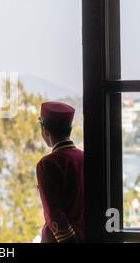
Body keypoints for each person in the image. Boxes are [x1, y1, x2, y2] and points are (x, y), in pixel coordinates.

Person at [36, 101, 84, 243]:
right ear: (69, 129)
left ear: (45, 131)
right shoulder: (85, 157)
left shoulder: (47, 164)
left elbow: (54, 214)